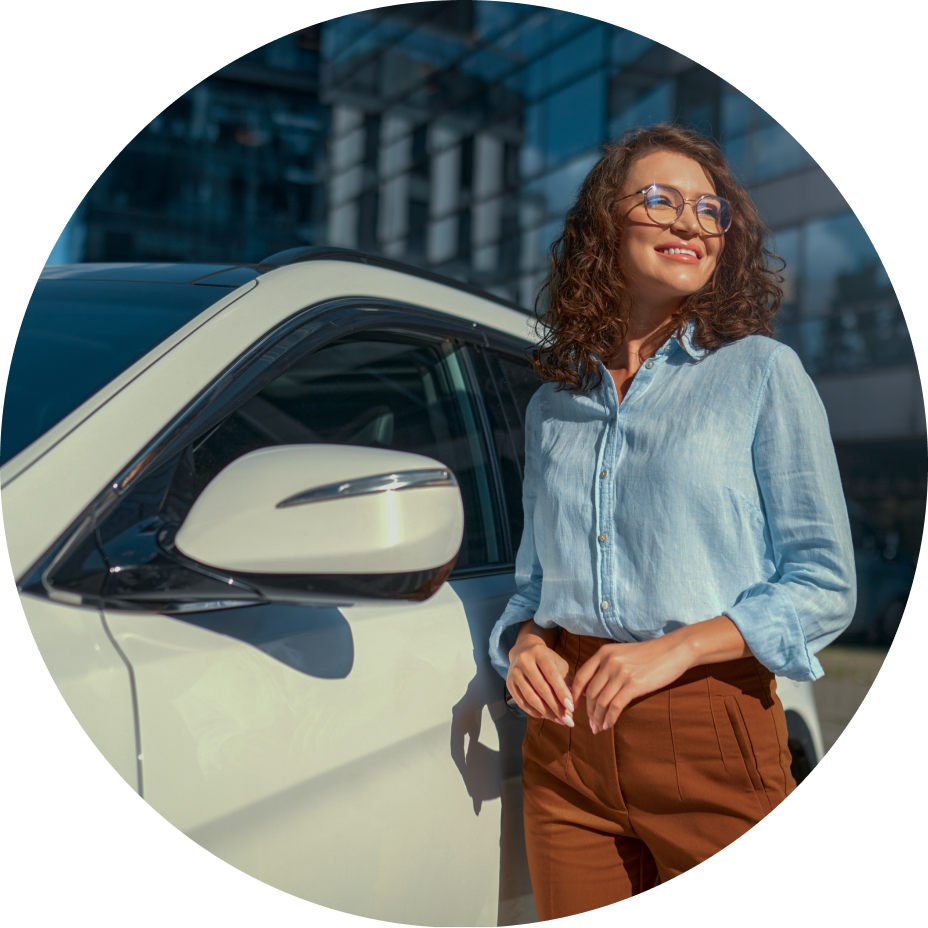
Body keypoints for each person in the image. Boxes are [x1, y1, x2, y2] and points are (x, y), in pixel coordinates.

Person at [488, 123, 856, 917]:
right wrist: (524, 641)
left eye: (709, 209)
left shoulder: (761, 372)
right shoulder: (552, 405)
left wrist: (675, 651)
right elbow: (535, 583)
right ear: (603, 225)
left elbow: (824, 587)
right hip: (567, 750)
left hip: (711, 726)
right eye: (660, 200)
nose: (691, 223)